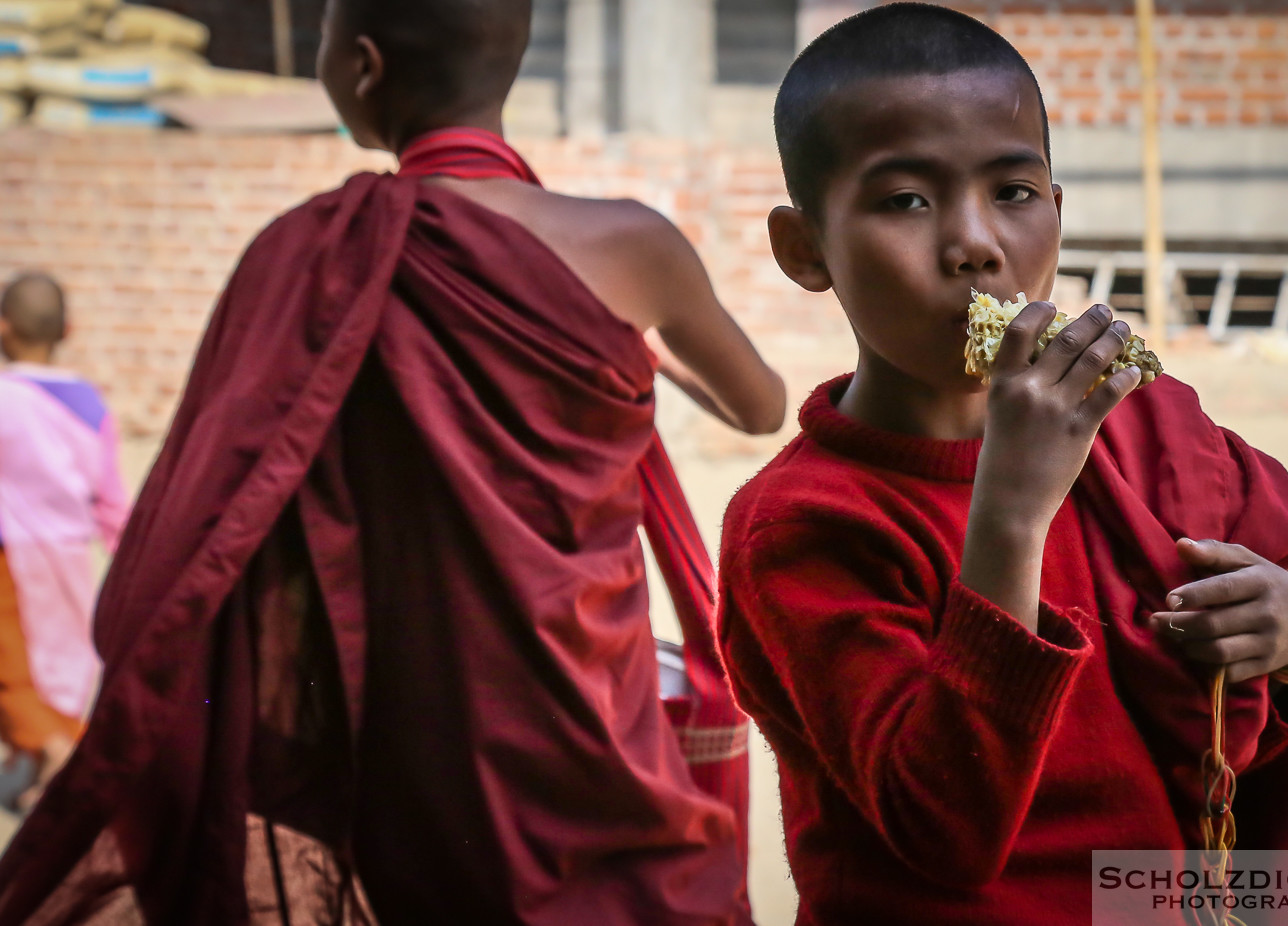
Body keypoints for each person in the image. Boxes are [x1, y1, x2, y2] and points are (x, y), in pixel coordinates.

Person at [0, 0, 783, 923]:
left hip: (414, 730)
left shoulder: (312, 256)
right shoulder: (630, 243)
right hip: (592, 706)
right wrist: (646, 359)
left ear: (361, 68)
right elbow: (761, 405)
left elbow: (187, 544)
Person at [716, 5, 1288, 924]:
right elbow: (943, 826)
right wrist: (1012, 516)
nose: (977, 245)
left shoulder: (1147, 434)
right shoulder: (801, 524)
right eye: (905, 200)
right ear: (805, 249)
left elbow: (1252, 722)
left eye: (1015, 193)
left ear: (1059, 215)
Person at [0, 273, 127, 811]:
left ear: (3, 329)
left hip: (12, 558)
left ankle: (51, 755)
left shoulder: (5, 398)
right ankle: (41, 758)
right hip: (72, 558)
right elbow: (113, 500)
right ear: (68, 330)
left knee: (16, 665)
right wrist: (128, 559)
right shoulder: (90, 404)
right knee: (64, 656)